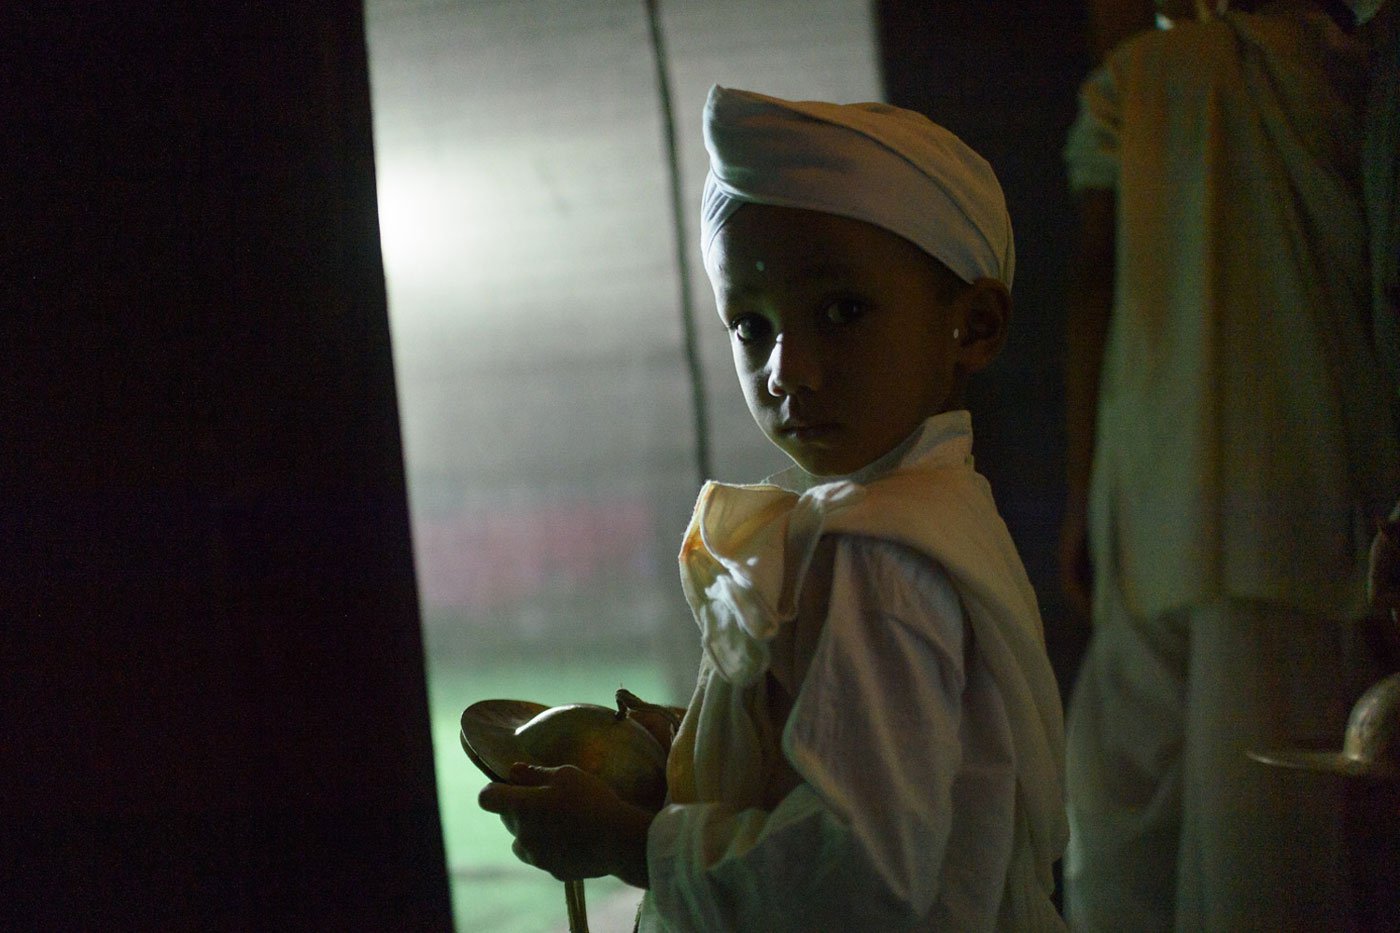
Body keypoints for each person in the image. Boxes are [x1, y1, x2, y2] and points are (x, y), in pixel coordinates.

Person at [479, 85, 1069, 930]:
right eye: (751, 324)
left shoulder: (877, 553)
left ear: (973, 325)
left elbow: (861, 876)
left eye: (840, 311)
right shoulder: (940, 517)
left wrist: (631, 842)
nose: (788, 368)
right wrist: (722, 734)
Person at [1058, 1, 1400, 929]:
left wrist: (1083, 488)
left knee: (1143, 799)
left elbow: (1096, 280)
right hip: (1304, 486)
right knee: (1274, 830)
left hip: (1156, 487)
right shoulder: (1345, 64)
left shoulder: (1141, 81)